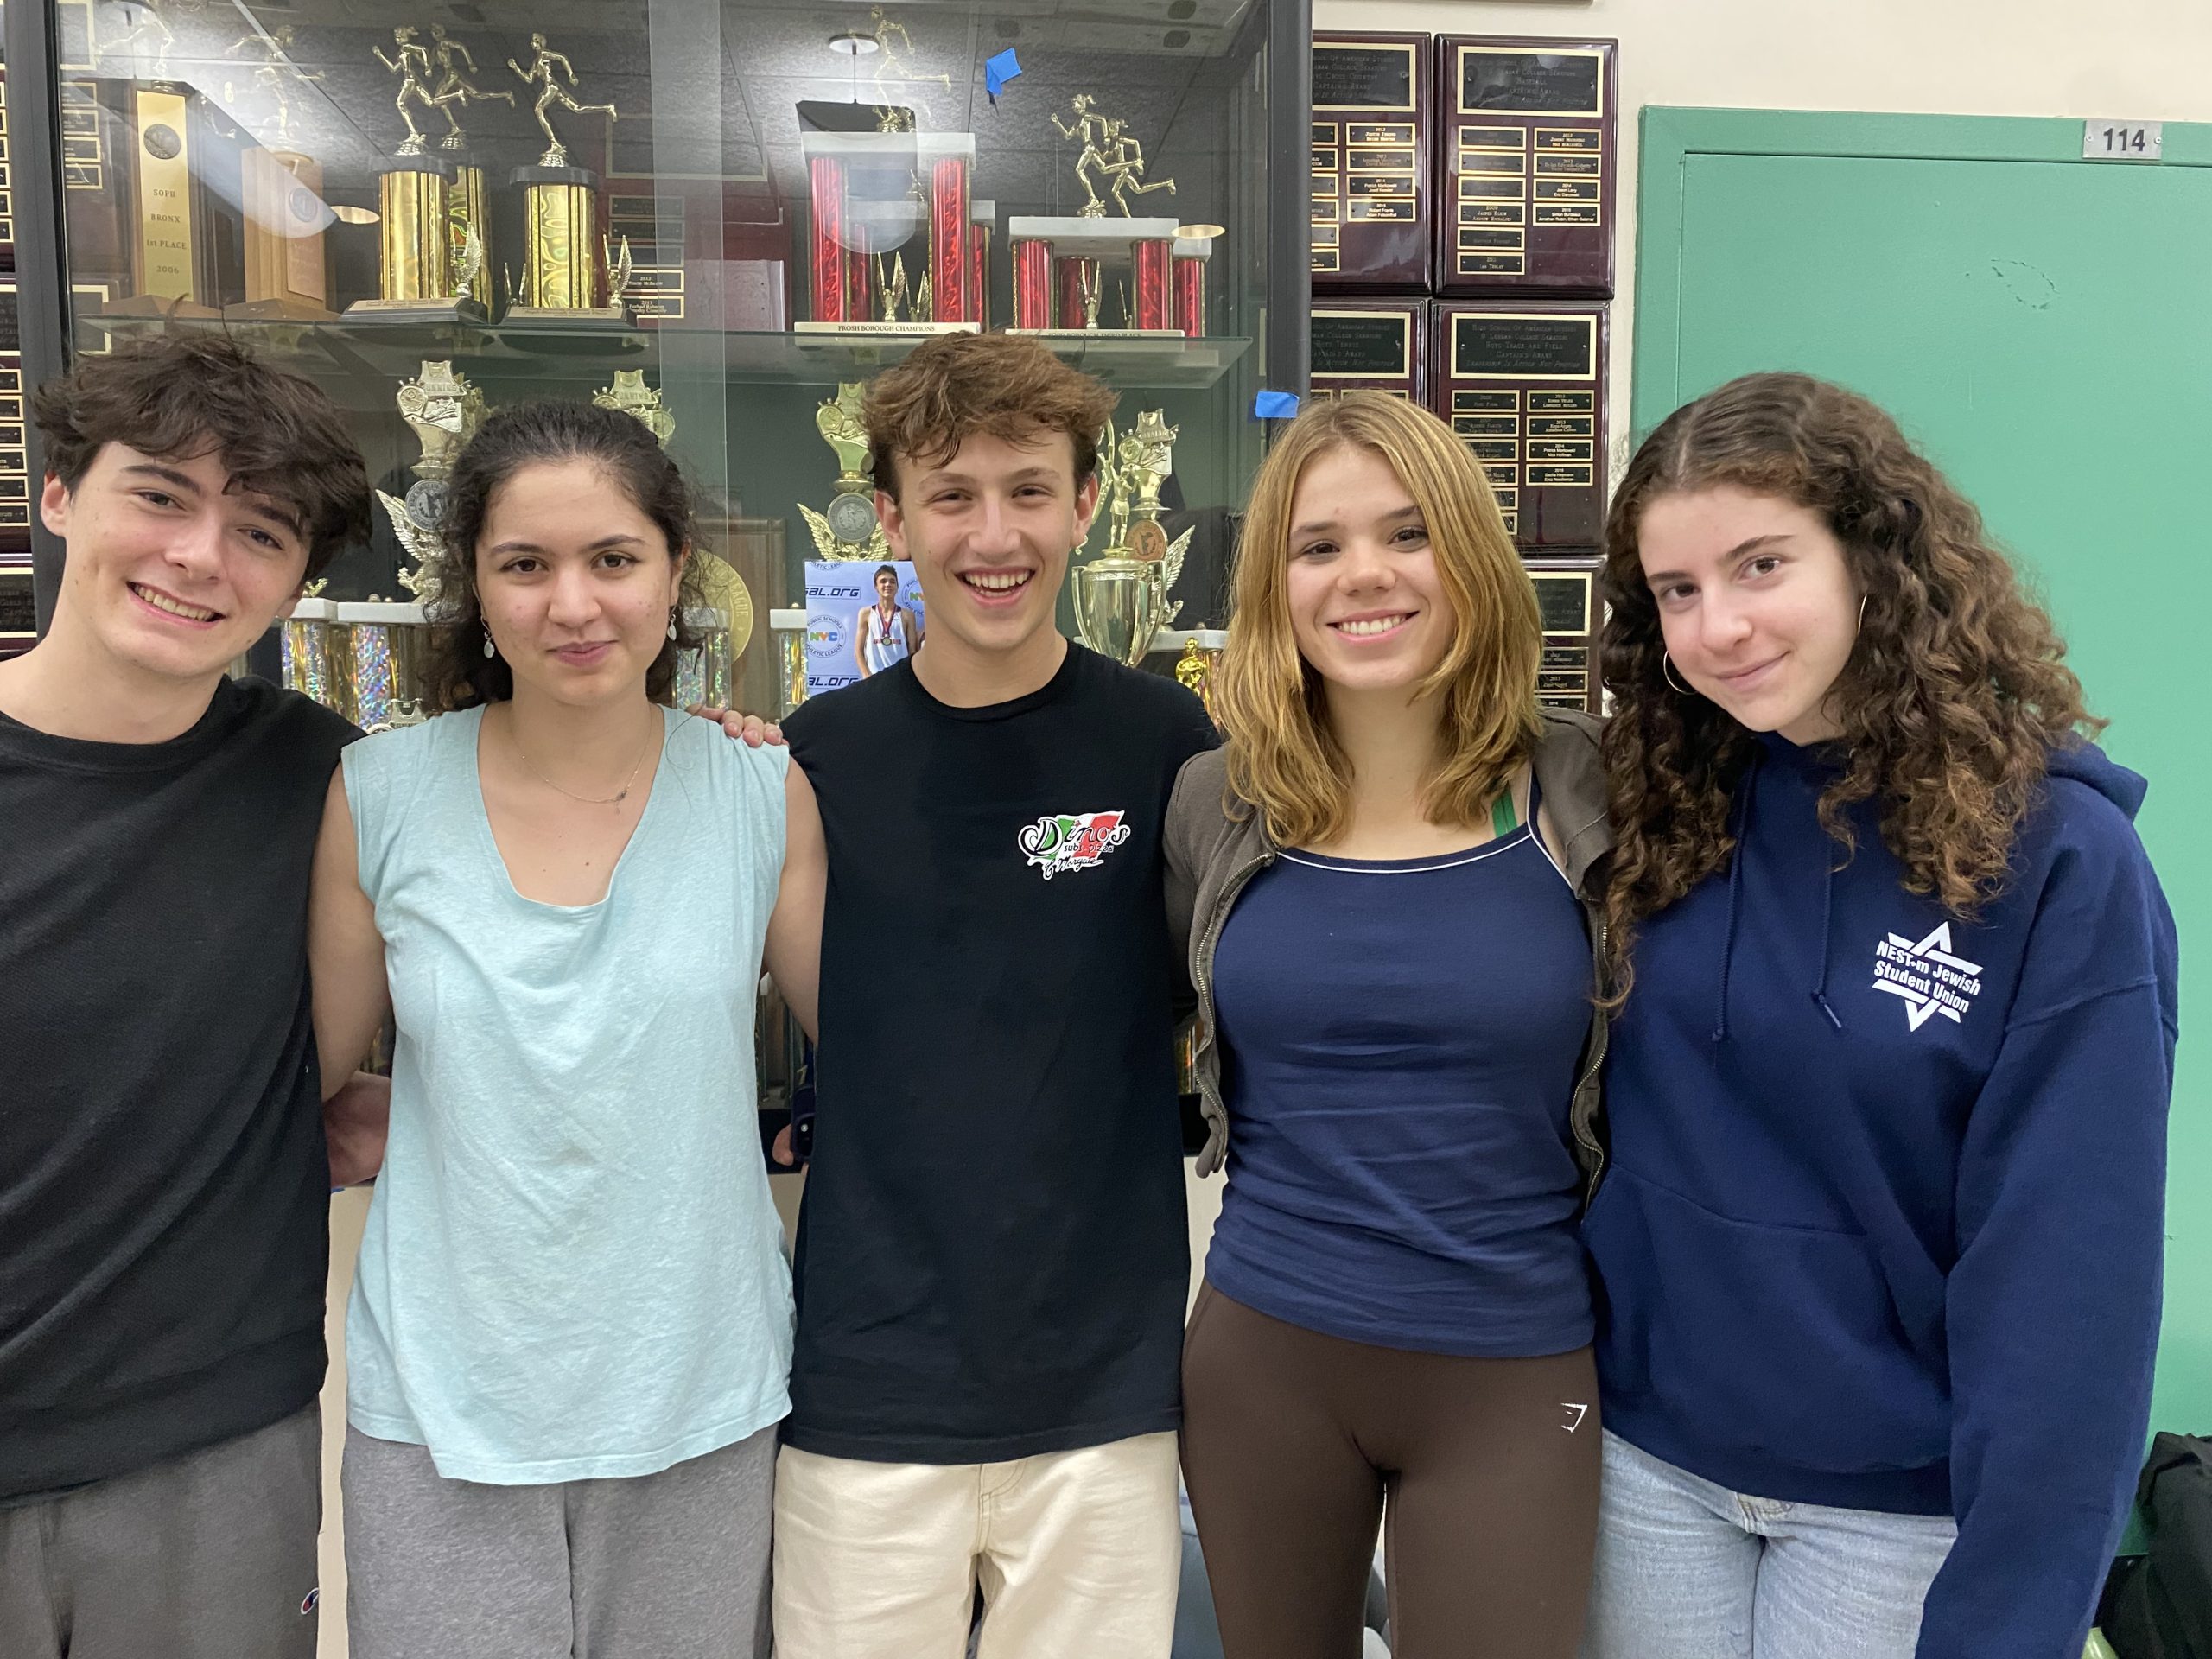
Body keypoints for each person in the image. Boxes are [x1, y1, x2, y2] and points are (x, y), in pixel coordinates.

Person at [1580, 372, 2177, 1659]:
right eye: (1677, 592)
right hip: (1645, 1469)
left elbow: (2074, 1284)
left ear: (1872, 559)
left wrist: (2018, 1608)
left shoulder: (2056, 860)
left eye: (1760, 566)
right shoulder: (1654, 808)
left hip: (1895, 1510)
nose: (1719, 625)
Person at [306, 401, 825, 1659]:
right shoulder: (379, 793)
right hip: (444, 1405)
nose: (574, 605)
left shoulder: (762, 789)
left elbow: (881, 1056)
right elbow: (298, 1084)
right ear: (473, 586)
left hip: (698, 1391)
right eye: (525, 566)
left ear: (675, 573)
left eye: (612, 559)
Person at [771, 331, 1217, 1659]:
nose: (994, 533)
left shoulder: (1166, 744)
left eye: (1029, 489)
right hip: (866, 1377)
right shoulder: (811, 758)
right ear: (891, 518)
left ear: (1089, 505)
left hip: (1104, 1383)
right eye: (953, 496)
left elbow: (1212, 1004)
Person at [1165, 393, 1611, 1658]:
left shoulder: (1584, 790)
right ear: (1278, 585)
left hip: (1513, 1367)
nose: (1364, 576)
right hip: (1266, 1361)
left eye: (1408, 535)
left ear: (1467, 558)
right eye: (1319, 547)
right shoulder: (1218, 801)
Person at [0, 336, 372, 1658]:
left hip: (212, 1455)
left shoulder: (324, 779)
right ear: (60, 493)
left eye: (261, 529)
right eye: (160, 494)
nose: (201, 556)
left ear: (298, 581)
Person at [854, 562, 922, 677]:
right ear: (876, 587)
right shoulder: (866, 613)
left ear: (897, 587)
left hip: (899, 678)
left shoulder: (907, 615)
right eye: (883, 581)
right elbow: (858, 650)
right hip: (874, 678)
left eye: (892, 581)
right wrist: (866, 675)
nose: (888, 584)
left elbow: (912, 650)